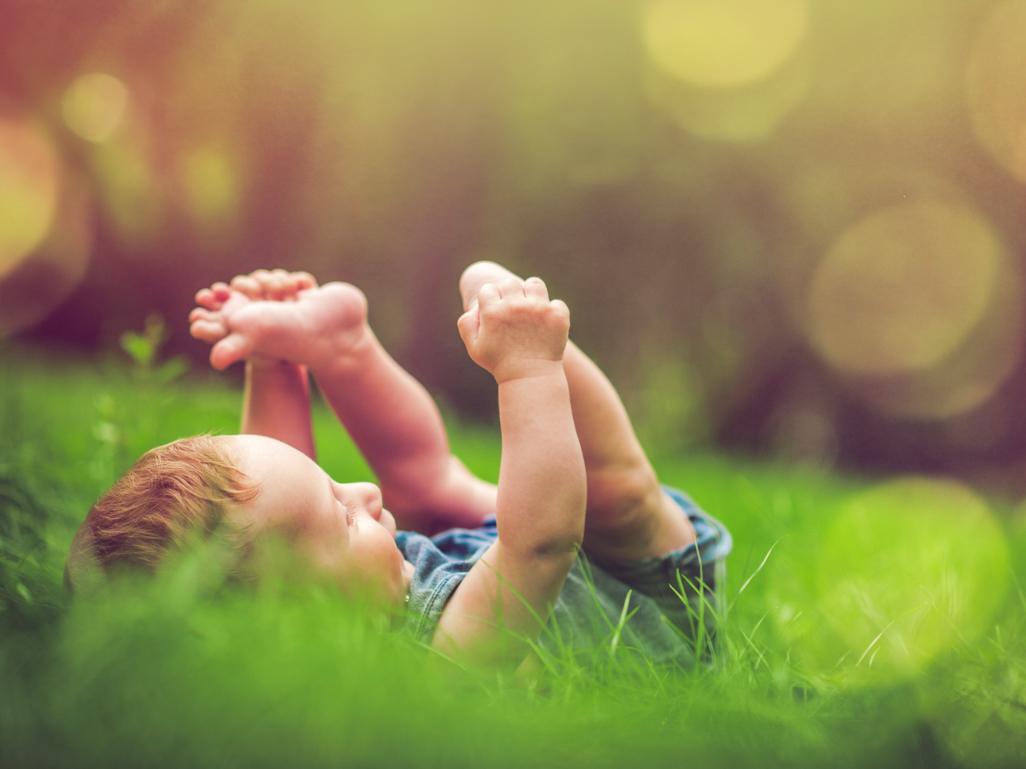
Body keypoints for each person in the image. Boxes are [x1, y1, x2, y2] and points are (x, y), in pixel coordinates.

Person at [65, 263, 731, 669]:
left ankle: (342, 348)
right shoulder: (443, 657)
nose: (364, 490)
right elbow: (541, 541)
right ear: (301, 623)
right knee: (617, 493)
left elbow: (279, 491)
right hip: (649, 593)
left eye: (336, 488)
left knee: (426, 486)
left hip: (490, 545)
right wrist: (529, 369)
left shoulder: (344, 599)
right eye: (342, 517)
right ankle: (525, 337)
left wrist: (274, 365)